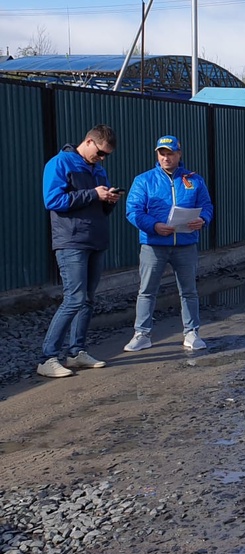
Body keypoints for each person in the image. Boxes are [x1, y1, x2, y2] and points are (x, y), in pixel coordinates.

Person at [37, 124, 124, 378]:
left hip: (95, 239)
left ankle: (77, 352)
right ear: (88, 142)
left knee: (87, 298)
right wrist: (92, 195)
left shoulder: (98, 169)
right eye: (100, 153)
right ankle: (47, 357)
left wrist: (108, 200)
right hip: (71, 241)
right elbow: (52, 201)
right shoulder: (60, 163)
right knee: (74, 298)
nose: (102, 158)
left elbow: (98, 206)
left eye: (106, 155)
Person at [123, 135, 214, 352]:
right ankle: (142, 334)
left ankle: (192, 332)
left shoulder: (194, 180)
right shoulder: (144, 180)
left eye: (170, 153)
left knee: (189, 290)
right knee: (147, 290)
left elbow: (207, 205)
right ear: (157, 154)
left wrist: (203, 220)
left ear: (179, 154)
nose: (166, 157)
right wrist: (154, 226)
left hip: (185, 244)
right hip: (154, 244)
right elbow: (133, 211)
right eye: (162, 153)